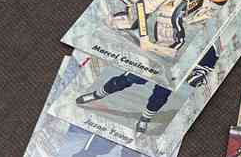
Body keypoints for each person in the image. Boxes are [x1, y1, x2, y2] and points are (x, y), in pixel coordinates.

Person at [74, 46, 218, 134]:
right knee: (127, 79)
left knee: (160, 95)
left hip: (177, 67)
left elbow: (212, 53)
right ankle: (98, 94)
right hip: (159, 56)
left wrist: (201, 69)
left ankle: (145, 118)